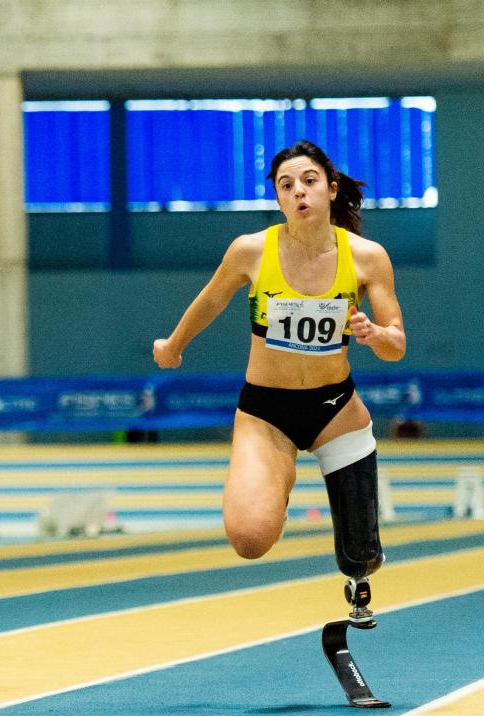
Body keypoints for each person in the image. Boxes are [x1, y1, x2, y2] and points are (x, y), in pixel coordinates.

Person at [153, 140, 405, 624]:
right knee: (249, 540)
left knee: (360, 558)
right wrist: (174, 344)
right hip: (266, 412)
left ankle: (358, 553)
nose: (299, 193)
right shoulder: (251, 250)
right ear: (278, 198)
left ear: (331, 190)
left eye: (309, 181)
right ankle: (277, 479)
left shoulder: (368, 258)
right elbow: (210, 301)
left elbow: (397, 344)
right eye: (286, 186)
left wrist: (375, 335)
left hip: (336, 410)